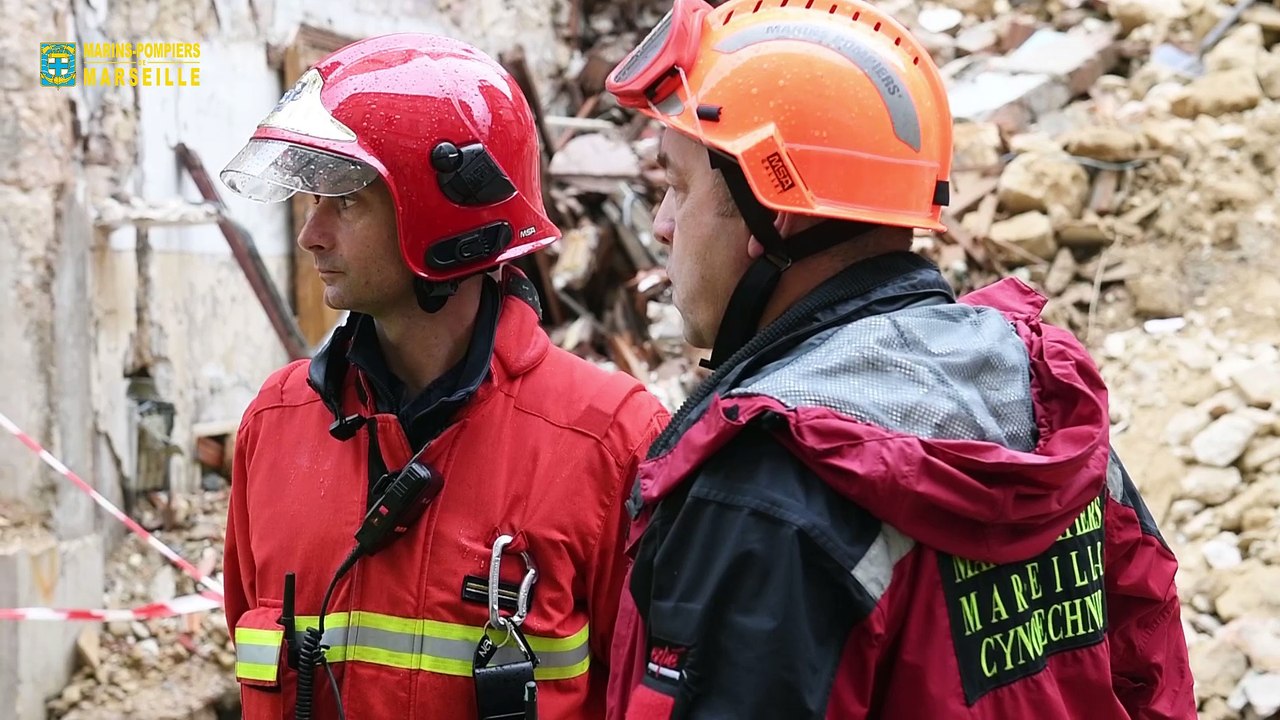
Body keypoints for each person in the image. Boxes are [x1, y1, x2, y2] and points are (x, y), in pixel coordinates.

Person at [601, 0, 1196, 718]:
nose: (662, 225)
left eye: (676, 186)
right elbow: (1152, 673)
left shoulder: (764, 497)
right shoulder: (1040, 402)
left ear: (771, 204)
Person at [219, 32, 668, 720]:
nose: (312, 234)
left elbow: (647, 693)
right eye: (312, 200)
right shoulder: (275, 424)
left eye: (346, 200)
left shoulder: (609, 440)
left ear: (449, 216)